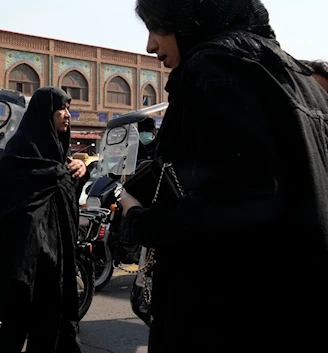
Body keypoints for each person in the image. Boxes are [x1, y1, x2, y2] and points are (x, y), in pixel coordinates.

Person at [119, 1, 328, 352]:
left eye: (158, 27)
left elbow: (229, 208)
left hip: (221, 317)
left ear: (190, 17)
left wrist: (137, 219)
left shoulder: (212, 67)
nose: (151, 46)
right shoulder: (294, 76)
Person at [0, 87, 88, 353]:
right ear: (46, 113)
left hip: (57, 256)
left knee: (53, 320)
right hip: (28, 257)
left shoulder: (56, 150)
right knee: (17, 323)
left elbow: (63, 194)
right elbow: (3, 193)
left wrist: (79, 170)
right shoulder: (22, 147)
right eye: (62, 109)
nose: (67, 115)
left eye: (68, 109)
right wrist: (58, 175)